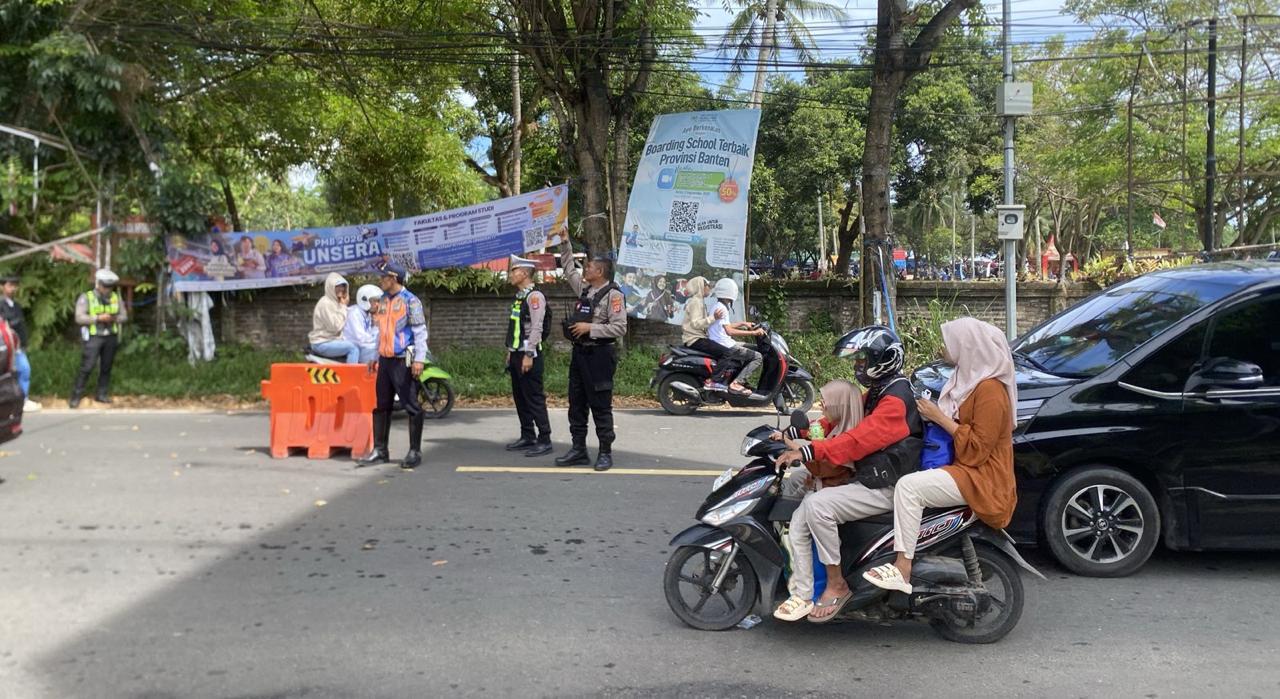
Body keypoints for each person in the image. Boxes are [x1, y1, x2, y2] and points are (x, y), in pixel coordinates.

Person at [773, 325, 923, 622]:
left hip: (886, 485)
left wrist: (808, 452)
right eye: (857, 360)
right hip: (870, 477)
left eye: (863, 359)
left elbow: (857, 441)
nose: (858, 366)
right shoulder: (879, 392)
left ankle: (836, 583)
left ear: (884, 359)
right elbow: (838, 419)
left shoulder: (895, 400)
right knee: (800, 509)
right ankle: (802, 588)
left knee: (817, 506)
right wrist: (797, 433)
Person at [862, 318, 1017, 595]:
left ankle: (903, 567)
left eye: (949, 342)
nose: (943, 347)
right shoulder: (967, 381)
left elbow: (978, 448)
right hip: (967, 467)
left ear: (968, 347)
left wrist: (939, 417)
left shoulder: (990, 391)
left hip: (983, 477)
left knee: (908, 488)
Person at [772, 379, 864, 620]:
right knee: (795, 528)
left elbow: (825, 466)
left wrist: (794, 448)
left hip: (831, 495)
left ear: (841, 406)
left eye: (827, 401)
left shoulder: (850, 436)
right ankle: (801, 591)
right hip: (822, 488)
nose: (822, 404)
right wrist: (786, 437)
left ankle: (812, 592)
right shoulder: (836, 426)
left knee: (798, 530)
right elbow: (815, 435)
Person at [555, 237, 627, 471]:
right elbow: (568, 269)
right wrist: (564, 244)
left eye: (589, 267)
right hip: (580, 354)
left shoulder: (613, 295)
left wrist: (590, 328)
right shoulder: (585, 289)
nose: (585, 270)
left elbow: (620, 328)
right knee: (576, 403)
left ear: (600, 272)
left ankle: (605, 452)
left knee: (600, 405)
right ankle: (578, 449)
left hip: (600, 356)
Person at [357, 261, 429, 469]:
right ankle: (380, 451)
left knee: (411, 405)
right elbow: (380, 332)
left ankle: (414, 451)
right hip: (385, 360)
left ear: (394, 278)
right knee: (382, 406)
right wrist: (374, 356)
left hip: (402, 360)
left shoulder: (411, 301)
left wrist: (419, 359)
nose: (380, 281)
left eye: (383, 277)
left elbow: (420, 332)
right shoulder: (382, 301)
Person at [504, 255, 553, 457]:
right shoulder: (520, 297)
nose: (510, 275)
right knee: (520, 397)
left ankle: (545, 439)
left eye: (513, 271)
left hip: (529, 355)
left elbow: (536, 327)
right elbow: (516, 329)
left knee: (534, 398)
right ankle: (528, 435)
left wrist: (529, 354)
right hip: (517, 354)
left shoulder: (535, 297)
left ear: (524, 273)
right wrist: (510, 352)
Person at [70, 269, 128, 408]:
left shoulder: (116, 297)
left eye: (110, 287)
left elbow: (124, 316)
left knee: (106, 366)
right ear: (98, 284)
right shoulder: (87, 297)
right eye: (105, 286)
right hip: (94, 337)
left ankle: (101, 394)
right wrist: (97, 318)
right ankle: (76, 396)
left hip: (111, 336)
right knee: (87, 366)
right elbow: (79, 317)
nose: (108, 289)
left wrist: (114, 318)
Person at [706, 278, 765, 395]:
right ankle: (737, 383)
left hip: (723, 342)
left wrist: (743, 323)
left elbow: (725, 326)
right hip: (725, 344)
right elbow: (729, 331)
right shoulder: (721, 308)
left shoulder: (718, 305)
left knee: (754, 348)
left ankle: (739, 377)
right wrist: (753, 333)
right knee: (758, 357)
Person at [0, 275, 39, 412]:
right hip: (5, 346)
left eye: (15, 285)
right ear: (2, 287)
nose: (13, 288)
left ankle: (22, 399)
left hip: (17, 345)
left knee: (24, 370)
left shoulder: (16, 305)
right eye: (10, 285)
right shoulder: (1, 305)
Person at [308, 273, 359, 364]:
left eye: (343, 286)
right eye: (337, 286)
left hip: (331, 340)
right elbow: (335, 327)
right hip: (322, 343)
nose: (341, 289)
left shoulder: (336, 302)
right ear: (330, 287)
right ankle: (351, 373)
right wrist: (344, 307)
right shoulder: (326, 303)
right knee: (353, 349)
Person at [344, 284, 383, 364]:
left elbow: (370, 336)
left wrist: (376, 326)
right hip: (356, 348)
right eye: (374, 301)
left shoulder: (366, 314)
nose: (377, 304)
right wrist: (376, 330)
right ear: (364, 300)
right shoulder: (354, 313)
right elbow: (361, 339)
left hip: (362, 347)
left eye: (378, 301)